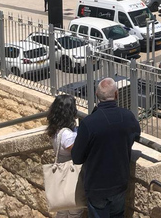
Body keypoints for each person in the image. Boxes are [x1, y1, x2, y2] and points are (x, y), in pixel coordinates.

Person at [72, 78, 140, 218]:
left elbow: (77, 157)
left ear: (97, 95)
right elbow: (136, 136)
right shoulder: (128, 117)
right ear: (116, 95)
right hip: (119, 184)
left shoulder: (88, 123)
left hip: (96, 188)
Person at [46, 94, 83, 218]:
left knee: (62, 211)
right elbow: (78, 151)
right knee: (74, 211)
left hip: (61, 176)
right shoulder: (67, 136)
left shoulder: (56, 129)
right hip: (71, 176)